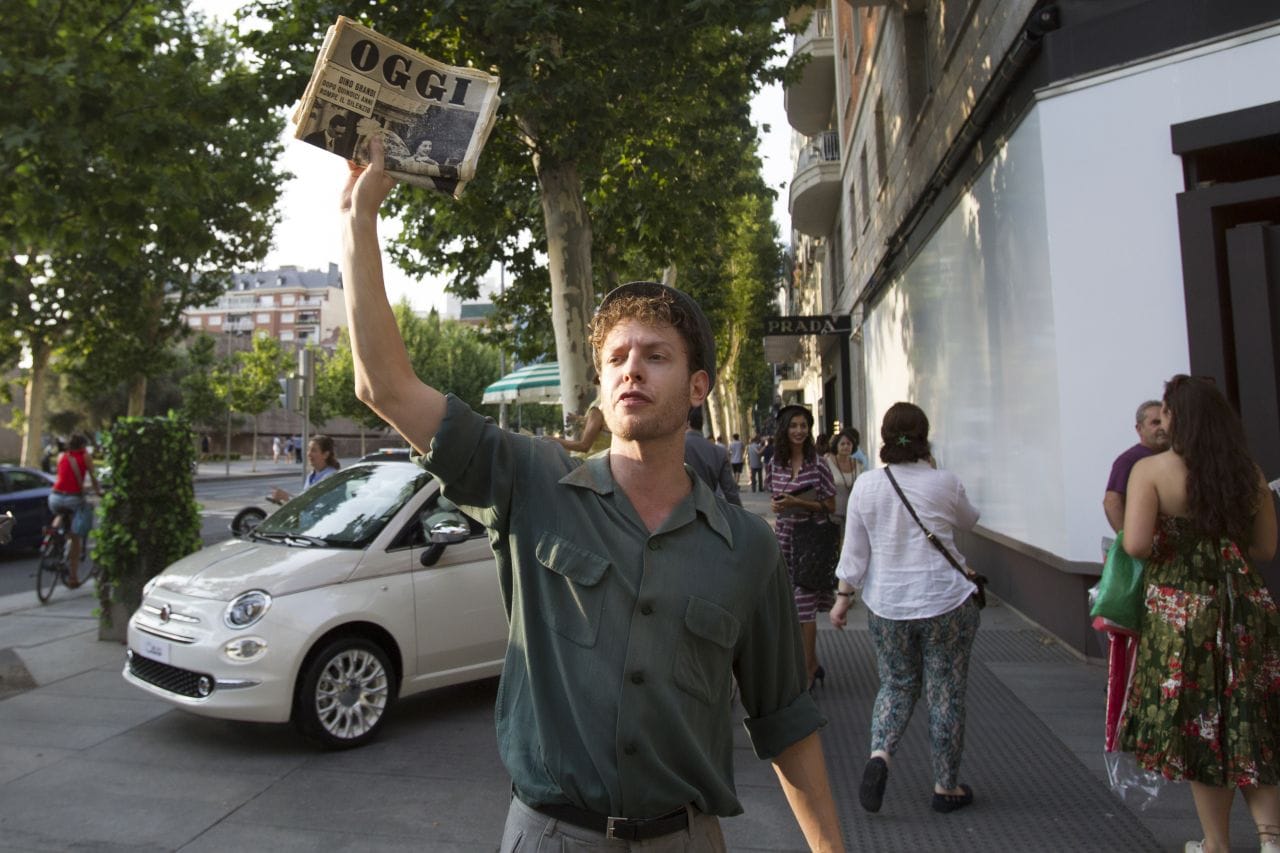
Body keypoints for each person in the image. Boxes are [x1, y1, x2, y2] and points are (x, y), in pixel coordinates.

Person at [337, 139, 843, 852]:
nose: (632, 369)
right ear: (601, 389)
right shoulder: (530, 480)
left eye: (656, 355)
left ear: (699, 388)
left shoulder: (748, 549)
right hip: (549, 836)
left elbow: (785, 721)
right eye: (616, 359)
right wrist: (360, 223)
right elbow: (384, 387)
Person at [1119, 375, 1280, 853]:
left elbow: (1136, 544)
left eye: (1165, 412)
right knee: (1252, 721)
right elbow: (1267, 549)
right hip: (1246, 608)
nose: (1161, 420)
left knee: (1203, 729)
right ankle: (1271, 840)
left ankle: (1217, 844)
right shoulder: (1248, 473)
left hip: (1183, 614)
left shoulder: (1151, 472)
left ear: (1179, 417)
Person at [829, 402, 982, 816]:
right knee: (944, 691)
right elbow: (971, 520)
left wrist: (843, 598)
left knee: (896, 685)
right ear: (924, 436)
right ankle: (945, 786)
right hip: (945, 602)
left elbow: (855, 551)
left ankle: (880, 755)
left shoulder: (866, 486)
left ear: (882, 437)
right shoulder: (943, 482)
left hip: (887, 604)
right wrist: (935, 471)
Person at [767, 404, 837, 691]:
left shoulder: (818, 463)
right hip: (784, 539)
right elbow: (775, 499)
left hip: (810, 540)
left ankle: (807, 671)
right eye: (794, 426)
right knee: (790, 608)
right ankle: (813, 663)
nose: (799, 431)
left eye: (804, 426)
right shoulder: (775, 464)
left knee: (804, 609)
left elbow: (831, 505)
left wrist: (799, 503)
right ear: (785, 429)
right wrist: (778, 505)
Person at [1104, 400, 1170, 533]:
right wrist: (1127, 541)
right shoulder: (1128, 460)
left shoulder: (1174, 456)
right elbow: (1112, 501)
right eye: (1155, 423)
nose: (1162, 427)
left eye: (1164, 421)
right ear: (1139, 429)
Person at [47, 433, 102, 589]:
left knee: (60, 513)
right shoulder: (85, 456)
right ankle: (73, 577)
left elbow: (63, 477)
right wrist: (98, 491)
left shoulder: (61, 456)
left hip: (55, 497)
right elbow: (92, 477)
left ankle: (52, 534)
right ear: (83, 445)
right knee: (75, 536)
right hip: (73, 499)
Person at [684, 406, 743, 507]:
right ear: (701, 424)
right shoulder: (719, 452)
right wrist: (741, 516)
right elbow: (730, 491)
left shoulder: (674, 448)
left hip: (679, 512)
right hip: (708, 511)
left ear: (687, 423)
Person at [269, 435, 341, 504]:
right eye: (308, 449)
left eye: (313, 450)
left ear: (325, 455)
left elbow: (315, 509)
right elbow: (304, 503)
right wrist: (285, 497)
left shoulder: (331, 477)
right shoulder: (311, 476)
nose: (309, 454)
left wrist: (287, 498)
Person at [825, 429, 862, 525]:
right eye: (842, 444)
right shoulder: (827, 462)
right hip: (833, 515)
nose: (846, 446)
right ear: (836, 446)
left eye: (849, 444)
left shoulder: (858, 463)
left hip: (854, 514)